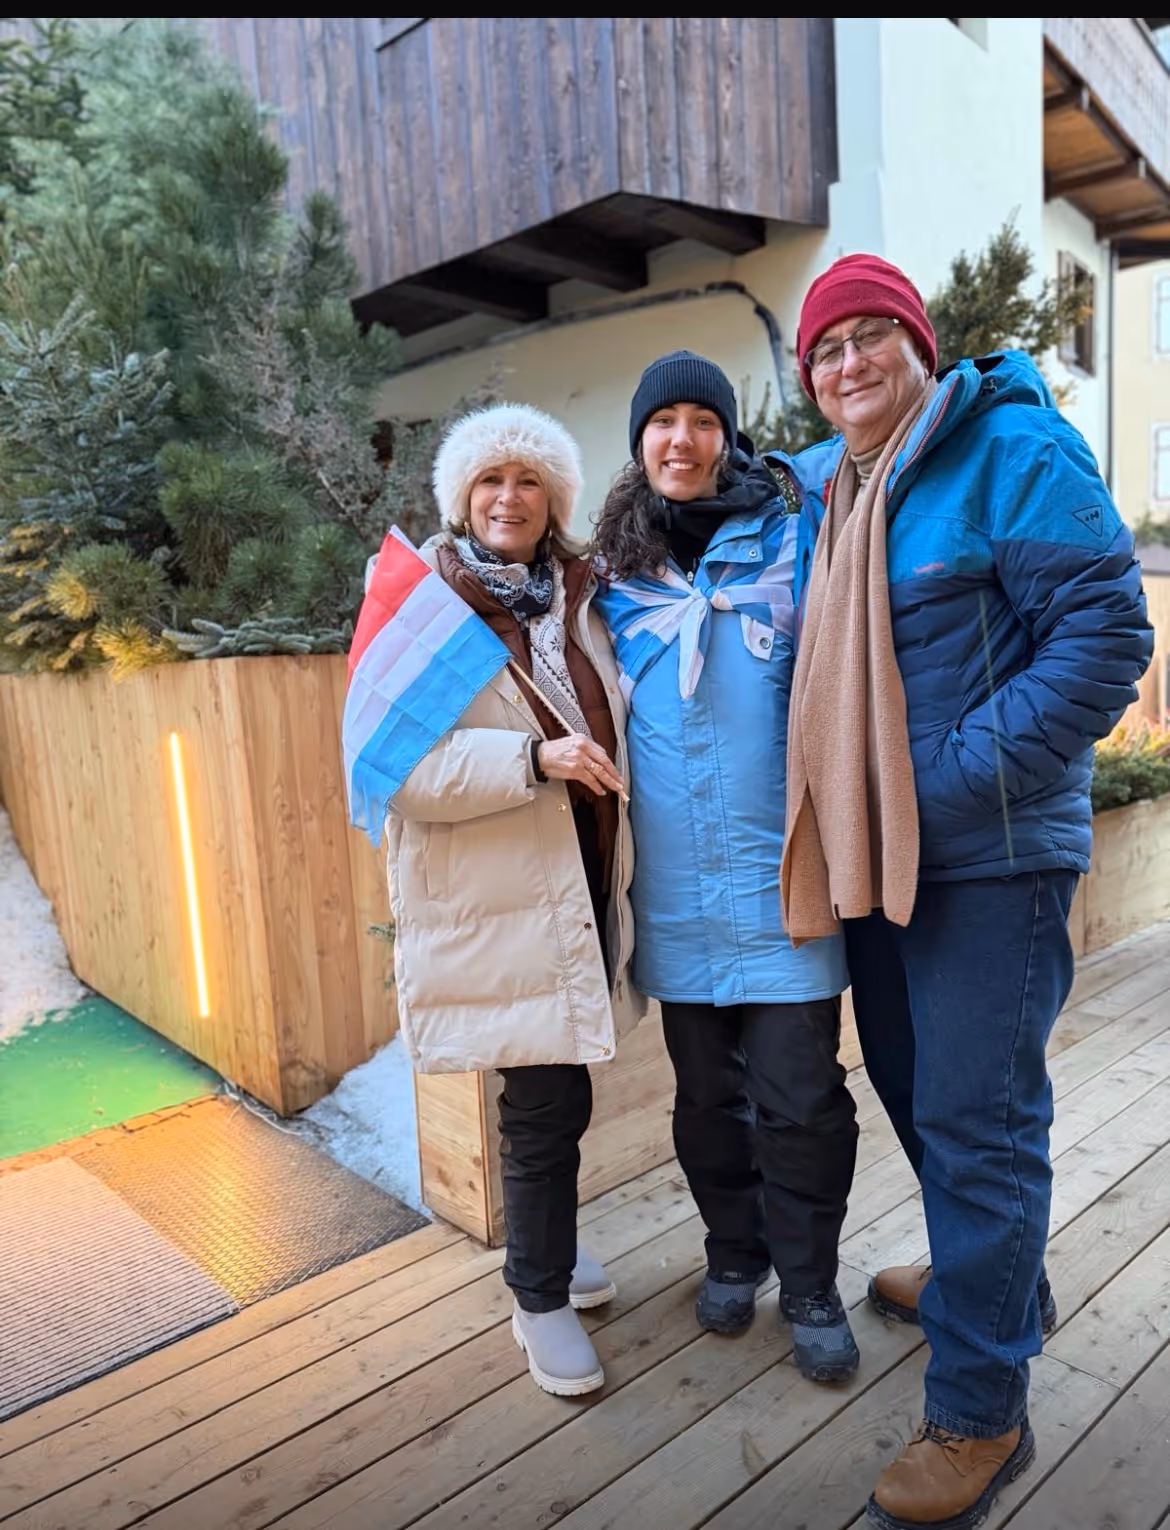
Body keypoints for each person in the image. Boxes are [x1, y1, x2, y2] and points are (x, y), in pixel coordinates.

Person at [782, 253, 1153, 1530]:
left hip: (988, 856)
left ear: (920, 347)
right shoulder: (837, 485)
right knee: (915, 1086)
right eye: (827, 350)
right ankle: (994, 1282)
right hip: (880, 860)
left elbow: (1109, 637)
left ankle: (983, 1410)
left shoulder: (1012, 453)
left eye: (872, 336)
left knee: (981, 1117)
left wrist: (938, 777)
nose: (849, 364)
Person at [592, 350, 860, 1384]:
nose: (681, 439)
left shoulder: (793, 540)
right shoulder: (610, 574)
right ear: (639, 441)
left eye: (703, 420)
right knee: (706, 1101)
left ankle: (810, 1280)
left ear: (728, 437)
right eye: (663, 421)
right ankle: (732, 1252)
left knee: (803, 1099)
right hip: (676, 893)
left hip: (783, 879)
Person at [383, 402, 644, 1398]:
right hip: (497, 892)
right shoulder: (427, 612)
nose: (508, 497)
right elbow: (395, 770)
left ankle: (556, 1245)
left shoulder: (579, 597)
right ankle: (536, 1295)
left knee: (561, 1093)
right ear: (462, 498)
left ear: (555, 502)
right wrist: (533, 758)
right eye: (489, 482)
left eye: (528, 481)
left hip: (576, 878)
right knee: (541, 1104)